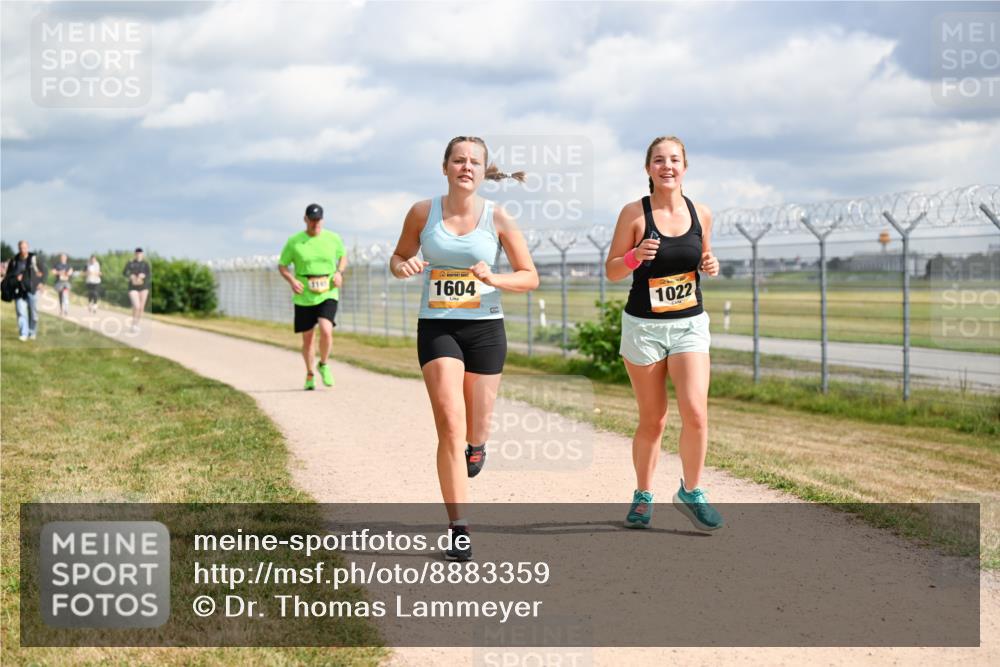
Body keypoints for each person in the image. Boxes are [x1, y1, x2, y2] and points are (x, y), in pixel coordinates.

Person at [389, 136, 538, 561]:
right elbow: (398, 257)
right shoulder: (423, 212)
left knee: (476, 426)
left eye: (474, 161)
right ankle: (459, 527)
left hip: (486, 329)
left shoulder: (498, 217)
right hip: (438, 327)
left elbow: (529, 276)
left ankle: (477, 446)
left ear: (483, 169)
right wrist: (405, 266)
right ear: (446, 167)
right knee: (450, 424)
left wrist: (496, 279)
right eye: (458, 160)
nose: (466, 167)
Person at [605, 135, 723, 532]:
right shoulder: (634, 214)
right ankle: (642, 496)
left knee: (696, 412)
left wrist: (711, 264)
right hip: (644, 328)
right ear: (648, 169)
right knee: (653, 419)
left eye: (674, 160)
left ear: (685, 167)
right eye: (659, 160)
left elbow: (702, 257)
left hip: (689, 323)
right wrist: (634, 256)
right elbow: (612, 270)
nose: (667, 166)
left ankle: (691, 490)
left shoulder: (701, 212)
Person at [278, 203, 347, 390]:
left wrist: (339, 272)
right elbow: (282, 265)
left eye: (318, 220)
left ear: (322, 220)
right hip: (304, 295)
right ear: (305, 220)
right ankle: (310, 374)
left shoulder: (333, 238)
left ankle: (323, 364)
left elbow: (343, 256)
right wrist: (292, 281)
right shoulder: (294, 242)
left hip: (328, 291)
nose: (315, 223)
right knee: (308, 338)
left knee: (326, 330)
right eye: (312, 220)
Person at [5, 240, 45, 341]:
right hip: (19, 291)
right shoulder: (14, 260)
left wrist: (40, 282)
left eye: (24, 247)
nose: (23, 250)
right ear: (18, 248)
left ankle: (32, 332)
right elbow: (8, 276)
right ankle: (23, 333)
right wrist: (15, 279)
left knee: (34, 314)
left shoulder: (34, 259)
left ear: (28, 247)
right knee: (21, 313)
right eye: (21, 248)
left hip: (32, 290)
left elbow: (43, 271)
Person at [123, 248, 151, 333]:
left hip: (143, 287)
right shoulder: (130, 263)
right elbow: (124, 272)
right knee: (137, 306)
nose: (138, 255)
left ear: (142, 254)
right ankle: (133, 325)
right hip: (132, 287)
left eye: (140, 253)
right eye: (137, 253)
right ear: (135, 254)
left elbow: (149, 274)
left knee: (141, 308)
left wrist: (143, 275)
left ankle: (136, 324)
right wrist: (130, 276)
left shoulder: (145, 264)